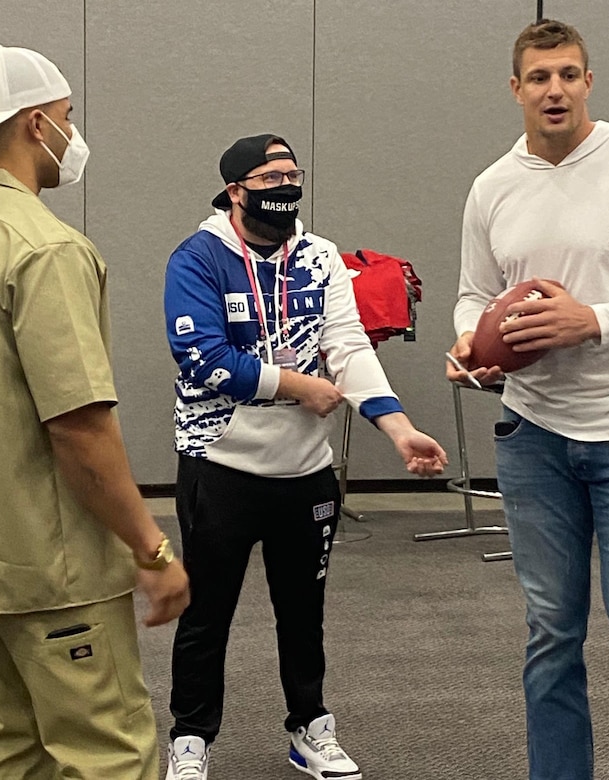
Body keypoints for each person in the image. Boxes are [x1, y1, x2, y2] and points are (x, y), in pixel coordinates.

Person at [0, 45, 190, 779]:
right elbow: (78, 425)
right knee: (105, 754)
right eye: (69, 118)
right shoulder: (44, 247)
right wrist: (150, 548)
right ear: (38, 124)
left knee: (7, 747)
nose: (73, 132)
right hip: (48, 561)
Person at [163, 133, 448, 780]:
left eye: (294, 174)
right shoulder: (199, 258)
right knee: (206, 613)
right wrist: (295, 385)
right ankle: (189, 739)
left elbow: (347, 348)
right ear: (235, 190)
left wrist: (400, 430)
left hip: (303, 474)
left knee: (303, 612)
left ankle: (310, 727)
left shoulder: (318, 257)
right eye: (269, 178)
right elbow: (201, 358)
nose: (286, 187)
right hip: (220, 466)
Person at [448, 19, 609, 780]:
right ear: (516, 89)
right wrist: (470, 346)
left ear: (589, 83)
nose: (555, 89)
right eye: (539, 77)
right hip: (534, 437)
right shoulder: (492, 186)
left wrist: (594, 321)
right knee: (550, 636)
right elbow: (474, 296)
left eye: (569, 74)